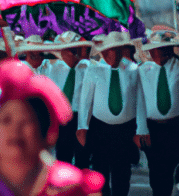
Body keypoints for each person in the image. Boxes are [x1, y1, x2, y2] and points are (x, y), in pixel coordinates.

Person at [0, 59, 105, 196]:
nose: (15, 130)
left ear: (47, 132)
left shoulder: (71, 187)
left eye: (26, 121)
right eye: (6, 120)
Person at [78, 31, 140, 196]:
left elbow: (139, 102)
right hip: (100, 130)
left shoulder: (133, 70)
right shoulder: (94, 70)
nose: (106, 55)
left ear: (120, 50)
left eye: (110, 50)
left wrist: (141, 129)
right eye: (104, 52)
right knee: (100, 170)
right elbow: (86, 100)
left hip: (125, 131)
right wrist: (82, 126)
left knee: (122, 171)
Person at [41, 31, 94, 170]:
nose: (72, 54)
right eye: (68, 50)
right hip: (61, 118)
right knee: (62, 158)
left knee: (82, 157)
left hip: (81, 118)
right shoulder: (54, 68)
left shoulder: (87, 69)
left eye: (74, 50)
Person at [136, 29, 179, 196]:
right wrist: (141, 130)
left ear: (170, 50)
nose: (159, 56)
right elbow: (140, 101)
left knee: (172, 167)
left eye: (163, 50)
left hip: (175, 126)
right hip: (153, 128)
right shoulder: (144, 70)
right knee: (157, 172)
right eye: (155, 51)